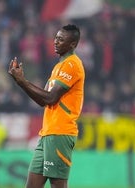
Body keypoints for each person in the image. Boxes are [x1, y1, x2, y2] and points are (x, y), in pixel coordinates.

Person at [8, 24, 85, 188]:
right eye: (56, 37)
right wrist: (21, 82)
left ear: (73, 44)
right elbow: (43, 100)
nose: (56, 42)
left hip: (60, 133)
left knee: (58, 184)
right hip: (47, 134)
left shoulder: (72, 65)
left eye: (61, 39)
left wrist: (23, 82)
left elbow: (50, 98)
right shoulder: (59, 66)